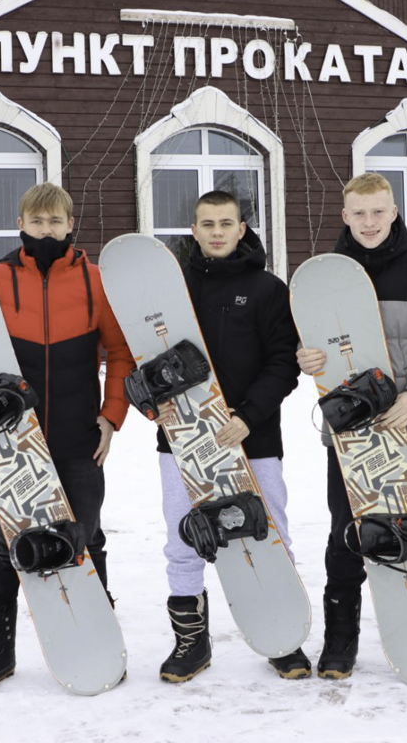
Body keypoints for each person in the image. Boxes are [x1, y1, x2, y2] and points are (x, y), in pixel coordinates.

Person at [0, 182, 132, 693]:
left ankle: (97, 646)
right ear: (21, 225)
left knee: (86, 539)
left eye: (56, 221)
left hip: (80, 435)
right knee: (6, 544)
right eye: (38, 222)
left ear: (71, 224)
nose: (47, 230)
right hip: (13, 442)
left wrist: (111, 416)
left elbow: (120, 352)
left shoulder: (95, 281)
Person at [295, 172, 407, 680]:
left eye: (378, 211)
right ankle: (340, 639)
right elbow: (308, 342)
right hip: (351, 436)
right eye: (359, 213)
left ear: (393, 212)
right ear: (345, 217)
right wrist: (305, 356)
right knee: (346, 534)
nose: (369, 222)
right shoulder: (325, 275)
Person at [152, 190, 309, 683]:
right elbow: (147, 356)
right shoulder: (171, 289)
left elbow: (284, 363)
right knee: (184, 538)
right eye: (207, 224)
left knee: (267, 533)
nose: (217, 232)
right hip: (182, 441)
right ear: (193, 231)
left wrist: (249, 415)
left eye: (226, 223)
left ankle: (283, 639)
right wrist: (154, 403)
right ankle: (191, 642)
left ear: (242, 228)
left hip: (254, 436)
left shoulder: (267, 289)